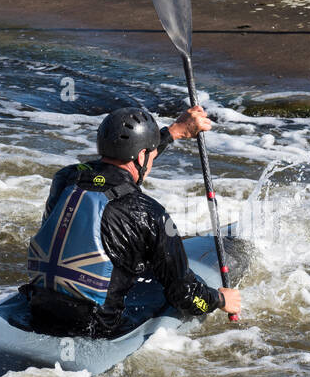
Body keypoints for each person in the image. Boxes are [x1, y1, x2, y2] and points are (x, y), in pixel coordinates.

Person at [21, 104, 242, 338]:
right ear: (141, 155)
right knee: (163, 279)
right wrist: (219, 299)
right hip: (96, 327)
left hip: (39, 308)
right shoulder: (149, 212)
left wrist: (174, 131)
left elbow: (115, 174)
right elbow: (185, 295)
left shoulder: (66, 178)